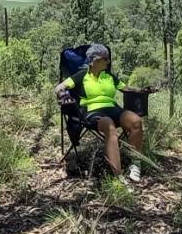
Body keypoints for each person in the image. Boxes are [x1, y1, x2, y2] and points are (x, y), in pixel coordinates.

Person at [54, 44, 150, 182]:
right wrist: (63, 95)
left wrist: (141, 90)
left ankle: (135, 165)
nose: (108, 61)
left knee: (136, 122)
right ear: (94, 60)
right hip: (92, 110)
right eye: (105, 59)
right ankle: (118, 176)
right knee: (109, 126)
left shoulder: (109, 76)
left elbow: (126, 88)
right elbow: (59, 87)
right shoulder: (82, 75)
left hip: (112, 108)